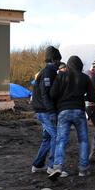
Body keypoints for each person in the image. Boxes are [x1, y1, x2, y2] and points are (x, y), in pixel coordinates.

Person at [48, 56, 95, 180]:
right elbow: (93, 97)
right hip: (79, 111)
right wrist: (82, 97)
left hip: (63, 111)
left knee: (61, 140)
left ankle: (58, 166)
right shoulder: (85, 77)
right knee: (83, 141)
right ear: (80, 65)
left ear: (69, 65)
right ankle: (83, 169)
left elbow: (52, 94)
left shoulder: (61, 76)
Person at [31, 46, 65, 177]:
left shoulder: (46, 71)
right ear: (53, 59)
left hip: (41, 110)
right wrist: (51, 112)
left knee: (48, 138)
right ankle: (53, 167)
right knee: (57, 136)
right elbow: (46, 94)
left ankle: (38, 164)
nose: (59, 63)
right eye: (58, 60)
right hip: (44, 111)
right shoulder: (49, 72)